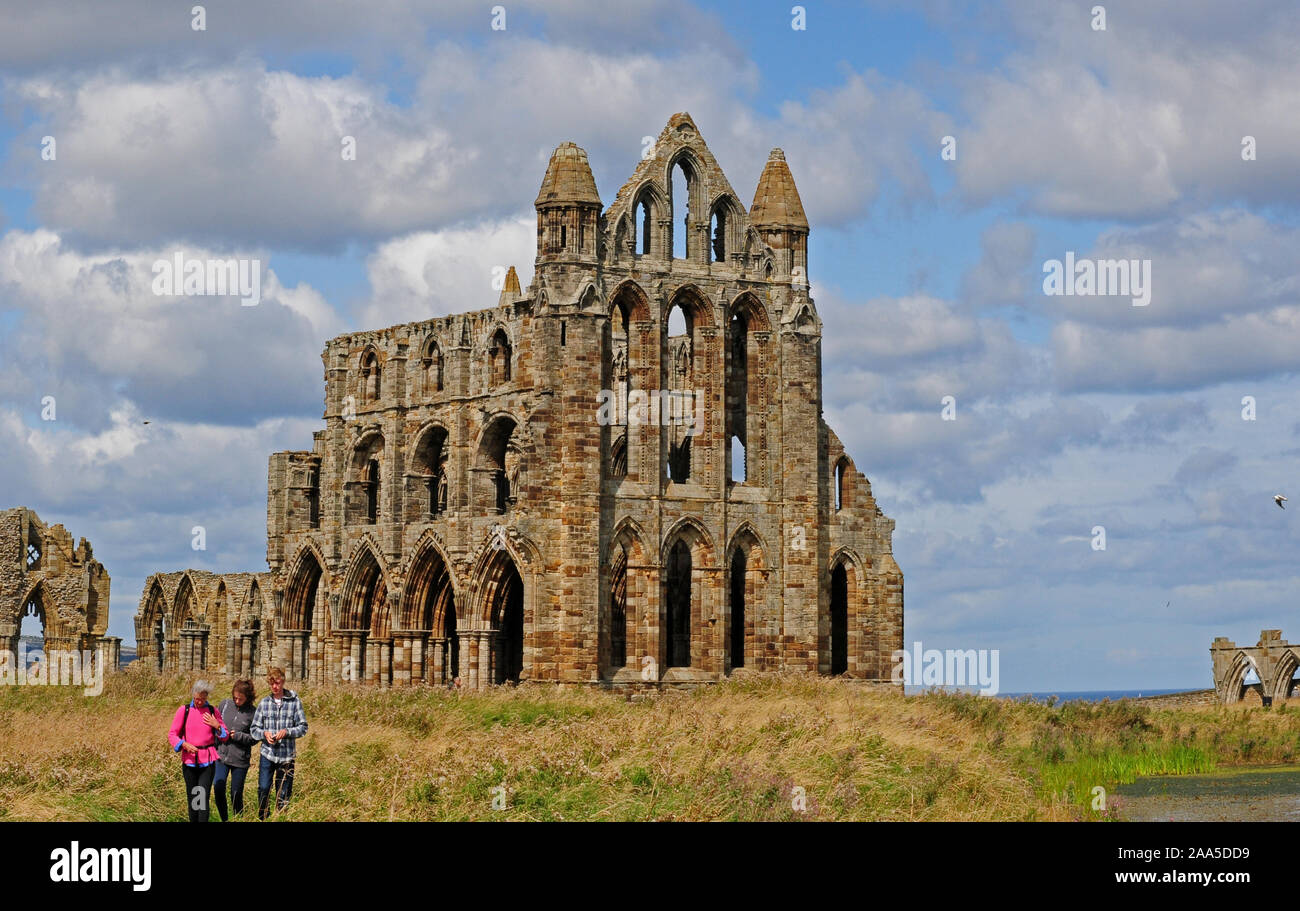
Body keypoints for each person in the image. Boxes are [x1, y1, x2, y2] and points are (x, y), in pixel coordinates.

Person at [250, 667, 308, 819]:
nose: (275, 687)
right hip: (267, 754)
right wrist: (264, 734)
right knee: (263, 788)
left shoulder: (294, 702)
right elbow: (254, 729)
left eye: (277, 683)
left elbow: (303, 727)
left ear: (283, 681)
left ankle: (280, 817)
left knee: (283, 793)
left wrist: (287, 732)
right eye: (271, 684)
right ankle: (263, 817)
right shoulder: (264, 703)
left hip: (286, 755)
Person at [168, 680, 229, 822]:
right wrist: (183, 744)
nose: (199, 702)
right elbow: (172, 734)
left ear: (206, 697)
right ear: (193, 695)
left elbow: (225, 736)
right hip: (189, 761)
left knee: (202, 797)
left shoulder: (213, 711)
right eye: (196, 699)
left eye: (202, 699)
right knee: (193, 798)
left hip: (207, 761)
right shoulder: (184, 711)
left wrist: (217, 726)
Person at [214, 678, 257, 821]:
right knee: (218, 787)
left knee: (236, 793)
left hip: (240, 760)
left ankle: (239, 818)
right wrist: (218, 734)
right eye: (235, 698)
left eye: (241, 699)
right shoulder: (224, 705)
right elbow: (215, 726)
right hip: (221, 756)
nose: (237, 701)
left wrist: (238, 736)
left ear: (248, 698)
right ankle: (224, 819)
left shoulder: (253, 713)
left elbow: (255, 738)